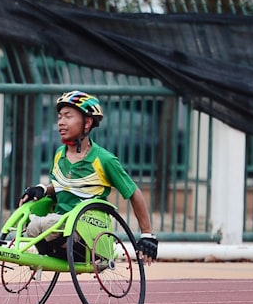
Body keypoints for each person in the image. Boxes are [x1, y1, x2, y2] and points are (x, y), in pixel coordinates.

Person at [18, 90, 159, 264]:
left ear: (87, 123)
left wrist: (147, 234)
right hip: (59, 229)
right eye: (60, 117)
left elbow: (134, 193)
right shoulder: (59, 155)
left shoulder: (104, 159)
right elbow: (66, 186)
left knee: (43, 224)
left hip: (88, 234)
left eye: (68, 116)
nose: (61, 122)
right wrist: (42, 189)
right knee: (26, 221)